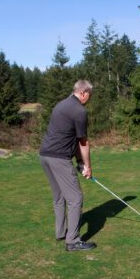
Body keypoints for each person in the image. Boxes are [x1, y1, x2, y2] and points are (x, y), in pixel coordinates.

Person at [40, 80, 96, 251]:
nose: (89, 99)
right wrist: (87, 165)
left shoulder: (61, 104)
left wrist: (79, 163)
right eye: (89, 96)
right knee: (75, 198)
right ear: (84, 93)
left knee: (59, 197)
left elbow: (71, 138)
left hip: (44, 156)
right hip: (59, 159)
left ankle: (61, 232)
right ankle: (72, 241)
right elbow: (83, 142)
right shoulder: (79, 111)